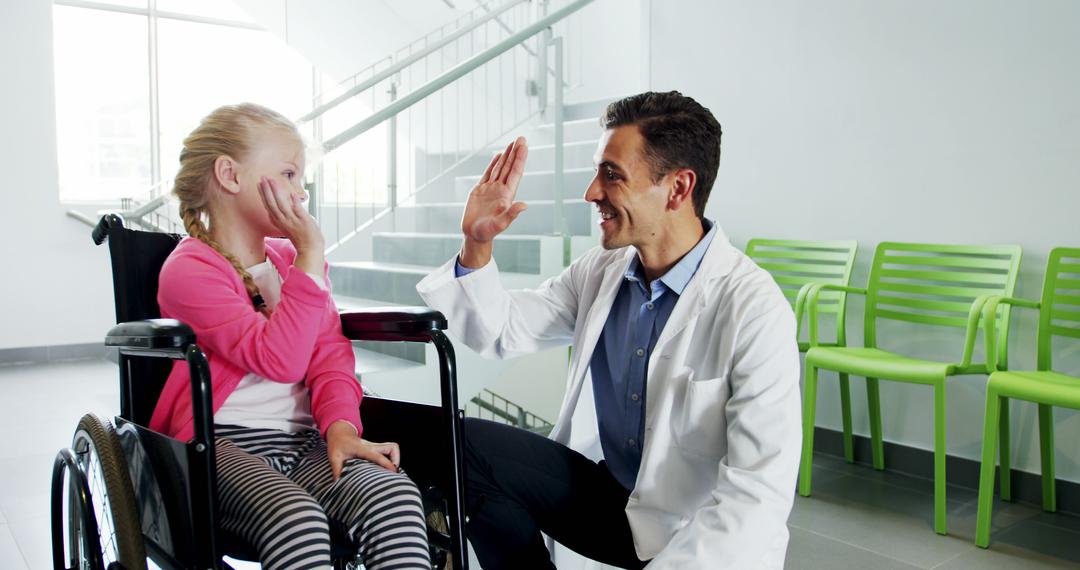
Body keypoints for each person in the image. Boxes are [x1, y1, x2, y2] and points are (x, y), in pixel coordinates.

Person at [416, 91, 801, 569]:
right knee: (462, 446)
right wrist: (476, 243)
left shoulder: (754, 309)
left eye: (611, 175)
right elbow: (504, 331)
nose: (591, 192)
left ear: (678, 188)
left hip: (694, 536)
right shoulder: (603, 269)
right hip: (614, 501)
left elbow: (755, 497)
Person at [150, 103, 430, 570]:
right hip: (220, 446)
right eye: (289, 173)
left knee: (395, 495)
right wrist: (311, 254)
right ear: (230, 175)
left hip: (305, 442)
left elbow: (329, 356)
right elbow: (278, 358)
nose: (301, 193)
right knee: (295, 519)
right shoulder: (191, 270)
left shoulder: (287, 263)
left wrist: (341, 428)